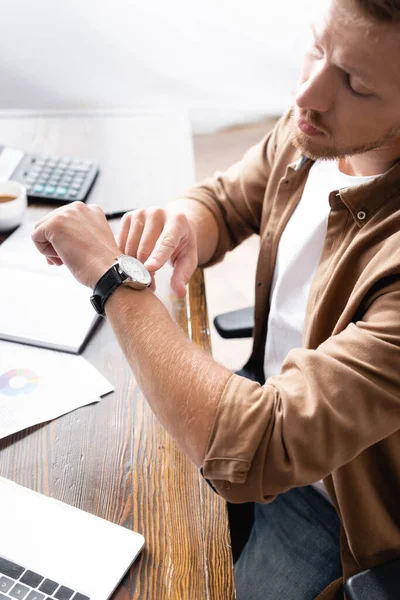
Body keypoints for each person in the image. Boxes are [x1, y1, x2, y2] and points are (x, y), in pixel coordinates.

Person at [32, 0, 400, 598]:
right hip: (261, 400)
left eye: (355, 84)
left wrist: (113, 280)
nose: (307, 93)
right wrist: (184, 222)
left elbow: (258, 447)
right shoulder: (319, 128)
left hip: (332, 506)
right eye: (315, 48)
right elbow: (228, 200)